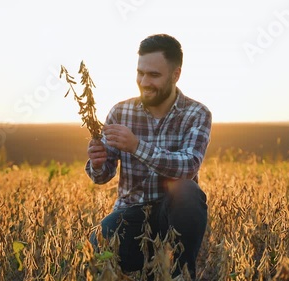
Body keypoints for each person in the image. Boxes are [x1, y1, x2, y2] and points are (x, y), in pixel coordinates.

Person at [86, 33, 211, 279]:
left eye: (154, 75)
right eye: (140, 73)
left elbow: (188, 166)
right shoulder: (120, 112)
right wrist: (98, 163)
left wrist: (136, 146)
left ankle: (180, 274)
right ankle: (148, 267)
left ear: (176, 75)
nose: (144, 81)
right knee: (98, 243)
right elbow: (102, 176)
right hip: (129, 212)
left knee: (187, 191)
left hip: (172, 211)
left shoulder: (197, 113)